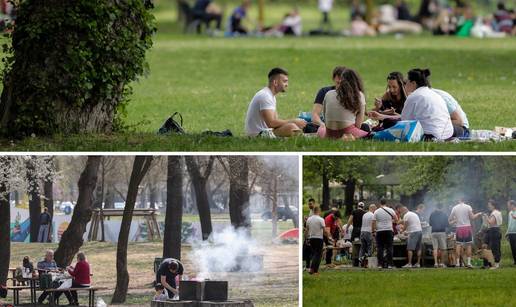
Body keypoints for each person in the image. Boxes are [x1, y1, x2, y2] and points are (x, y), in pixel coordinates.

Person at [369, 68, 454, 141]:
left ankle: (373, 135)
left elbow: (404, 122)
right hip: (448, 134)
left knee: (389, 125)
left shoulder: (413, 97)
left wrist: (384, 117)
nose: (405, 85)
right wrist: (382, 116)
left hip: (431, 136)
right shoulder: (434, 94)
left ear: (413, 83)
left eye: (406, 82)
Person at [245, 67, 306, 137]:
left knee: (292, 126)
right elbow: (271, 123)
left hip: (266, 131)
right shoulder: (265, 96)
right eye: (284, 81)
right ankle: (305, 136)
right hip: (258, 135)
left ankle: (304, 135)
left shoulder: (271, 96)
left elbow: (275, 122)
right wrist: (293, 121)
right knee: (291, 127)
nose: (287, 84)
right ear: (275, 82)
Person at [319, 68, 370, 139]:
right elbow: (358, 125)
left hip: (329, 133)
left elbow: (325, 118)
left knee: (321, 129)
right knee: (370, 133)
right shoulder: (359, 95)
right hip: (348, 132)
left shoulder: (328, 93)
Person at [448, 198, 482, 268]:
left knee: (458, 245)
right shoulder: (468, 207)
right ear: (464, 200)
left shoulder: (454, 208)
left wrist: (455, 220)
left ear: (458, 200)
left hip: (459, 228)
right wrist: (478, 214)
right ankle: (469, 263)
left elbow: (449, 220)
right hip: (467, 228)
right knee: (468, 245)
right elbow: (472, 217)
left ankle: (457, 263)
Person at [372, 199, 398, 268]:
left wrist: (373, 231)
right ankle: (390, 264)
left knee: (380, 248)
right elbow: (396, 220)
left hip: (380, 231)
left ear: (380, 203)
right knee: (389, 247)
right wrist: (390, 221)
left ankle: (380, 264)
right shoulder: (391, 210)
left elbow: (373, 222)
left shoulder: (376, 211)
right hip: (389, 230)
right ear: (386, 203)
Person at [306, 206, 329, 275]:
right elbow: (325, 231)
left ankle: (314, 270)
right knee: (318, 254)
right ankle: (313, 269)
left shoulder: (309, 219)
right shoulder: (321, 219)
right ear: (318, 211)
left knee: (315, 254)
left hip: (311, 238)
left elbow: (307, 230)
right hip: (319, 238)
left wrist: (306, 238)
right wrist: (328, 237)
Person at [484, 200, 502, 269]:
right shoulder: (496, 212)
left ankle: (496, 264)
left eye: (489, 205)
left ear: (493, 205)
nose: (488, 206)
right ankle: (495, 263)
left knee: (495, 248)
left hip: (494, 231)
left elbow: (491, 222)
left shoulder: (495, 213)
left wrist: (486, 217)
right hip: (495, 230)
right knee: (495, 247)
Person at [346, 202, 366, 266]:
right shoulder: (365, 213)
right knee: (362, 245)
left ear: (358, 206)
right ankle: (361, 260)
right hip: (362, 230)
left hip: (355, 230)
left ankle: (354, 260)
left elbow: (350, 220)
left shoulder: (354, 211)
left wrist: (347, 227)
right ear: (363, 207)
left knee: (354, 244)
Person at [506, 200, 516, 266]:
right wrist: (507, 232)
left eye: (508, 205)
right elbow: (509, 223)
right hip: (511, 233)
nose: (508, 206)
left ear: (512, 205)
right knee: (512, 248)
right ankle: (515, 261)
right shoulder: (510, 213)